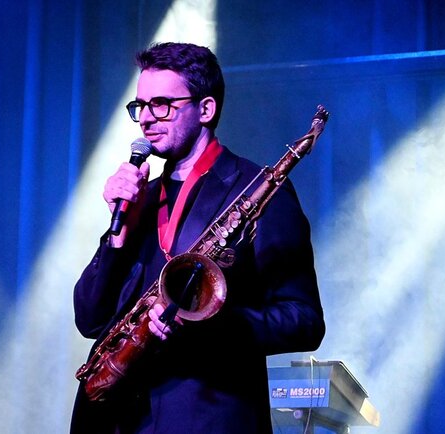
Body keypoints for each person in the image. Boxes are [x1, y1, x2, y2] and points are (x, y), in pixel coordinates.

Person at [70, 42, 325, 434]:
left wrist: (210, 321)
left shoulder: (259, 191)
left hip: (209, 420)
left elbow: (304, 321)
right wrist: (118, 236)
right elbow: (89, 319)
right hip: (121, 422)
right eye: (140, 106)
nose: (145, 119)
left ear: (205, 109)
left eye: (161, 105)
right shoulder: (141, 199)